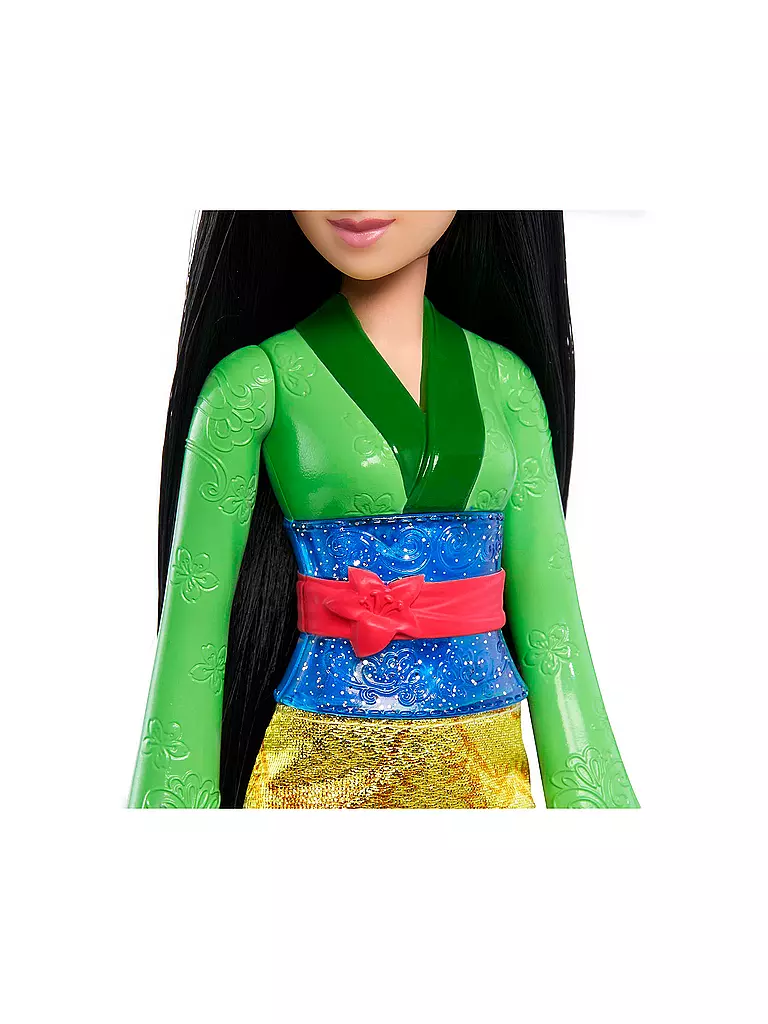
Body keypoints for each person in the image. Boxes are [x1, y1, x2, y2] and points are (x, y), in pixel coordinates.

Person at [129, 210, 638, 809]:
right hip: (318, 765)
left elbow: (557, 637)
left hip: (485, 769)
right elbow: (193, 640)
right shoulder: (255, 384)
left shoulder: (506, 385)